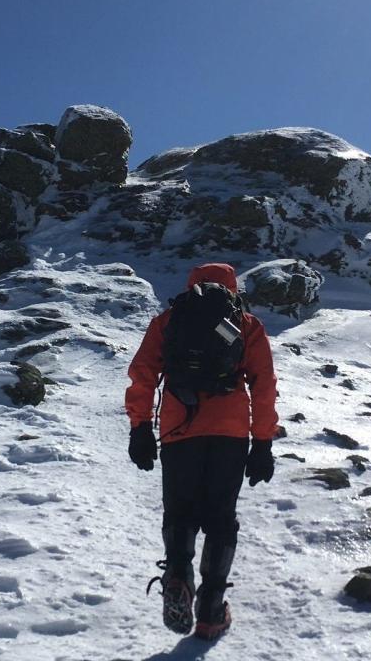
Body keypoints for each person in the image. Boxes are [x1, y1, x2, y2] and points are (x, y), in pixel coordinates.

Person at [125, 262, 278, 640]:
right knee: (221, 518)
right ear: (232, 288)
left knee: (180, 511)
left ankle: (178, 574)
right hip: (230, 434)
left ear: (191, 285)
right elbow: (263, 387)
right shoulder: (245, 325)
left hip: (180, 431)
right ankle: (210, 610)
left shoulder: (168, 322)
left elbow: (143, 374)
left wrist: (140, 427)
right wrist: (262, 442)